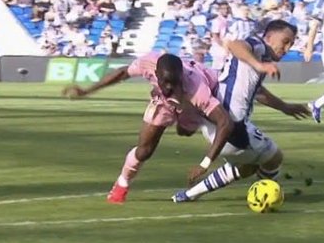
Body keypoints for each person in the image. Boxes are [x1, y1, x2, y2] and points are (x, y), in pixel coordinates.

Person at [62, 51, 236, 204]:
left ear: (181, 76)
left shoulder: (198, 90)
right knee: (144, 150)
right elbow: (122, 72)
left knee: (184, 132)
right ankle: (122, 184)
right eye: (165, 82)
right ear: (155, 74)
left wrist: (205, 164)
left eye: (173, 82)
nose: (169, 87)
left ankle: (185, 122)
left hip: (190, 105)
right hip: (164, 103)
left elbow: (225, 122)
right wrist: (87, 91)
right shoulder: (148, 63)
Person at [173, 20, 311, 203]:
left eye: (291, 44)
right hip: (230, 125)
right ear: (269, 37)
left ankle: (188, 195)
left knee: (246, 167)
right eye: (285, 41)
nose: (287, 48)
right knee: (274, 158)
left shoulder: (260, 60)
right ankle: (265, 197)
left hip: (216, 124)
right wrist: (260, 65)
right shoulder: (258, 46)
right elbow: (235, 45)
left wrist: (285, 107)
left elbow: (258, 93)